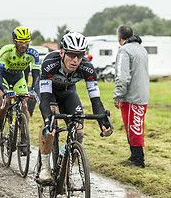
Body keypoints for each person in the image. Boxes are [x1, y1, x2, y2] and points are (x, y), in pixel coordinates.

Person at [36, 32, 112, 182]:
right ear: (63, 52)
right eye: (71, 54)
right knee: (51, 123)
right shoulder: (50, 63)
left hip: (68, 93)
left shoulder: (87, 68)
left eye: (80, 55)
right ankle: (45, 168)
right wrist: (47, 121)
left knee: (78, 130)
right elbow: (45, 98)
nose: (76, 60)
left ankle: (65, 166)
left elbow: (95, 100)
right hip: (48, 92)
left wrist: (103, 122)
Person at [0, 26, 39, 146]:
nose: (24, 44)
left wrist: (33, 89)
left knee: (24, 105)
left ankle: (23, 138)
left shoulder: (33, 53)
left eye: (26, 41)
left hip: (18, 78)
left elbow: (36, 74)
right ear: (14, 41)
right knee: (6, 100)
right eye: (21, 41)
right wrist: (5, 89)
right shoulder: (6, 51)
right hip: (3, 78)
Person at [114, 25, 149, 168]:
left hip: (131, 96)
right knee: (136, 127)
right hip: (142, 94)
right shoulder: (142, 49)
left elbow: (122, 76)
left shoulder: (124, 50)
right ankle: (134, 155)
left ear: (119, 37)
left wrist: (118, 95)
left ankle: (138, 160)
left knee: (133, 128)